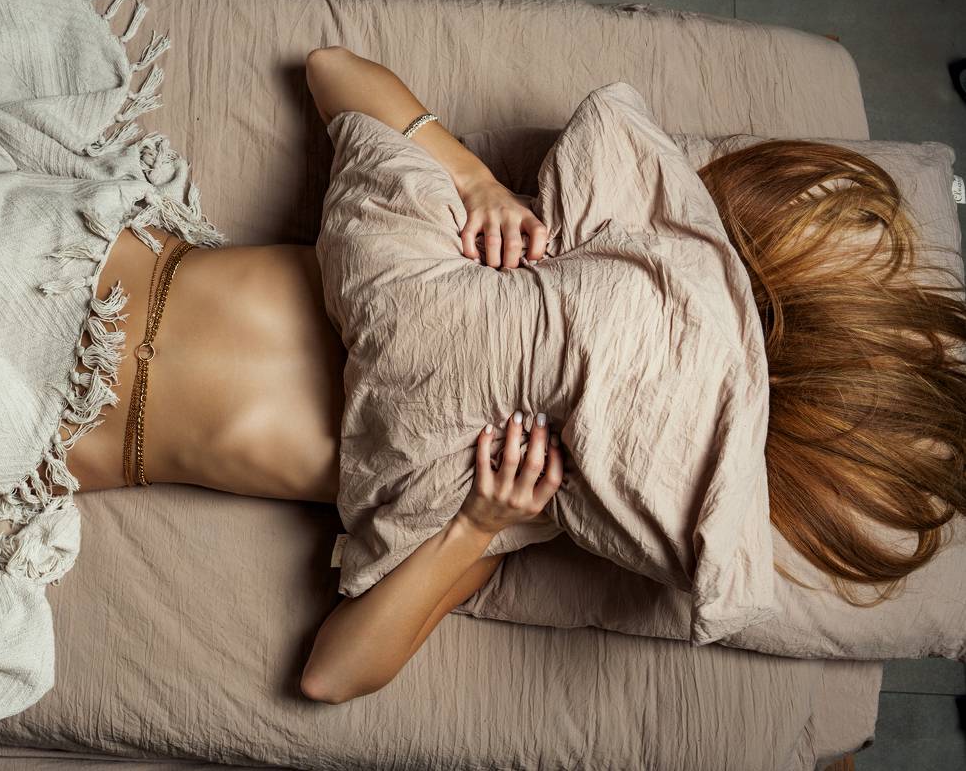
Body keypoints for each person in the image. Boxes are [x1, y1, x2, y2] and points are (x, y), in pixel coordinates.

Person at [51, 45, 966, 705]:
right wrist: (476, 180)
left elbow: (332, 674)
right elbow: (334, 70)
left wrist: (475, 526)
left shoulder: (510, 505)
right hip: (83, 252)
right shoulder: (500, 238)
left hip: (68, 431)